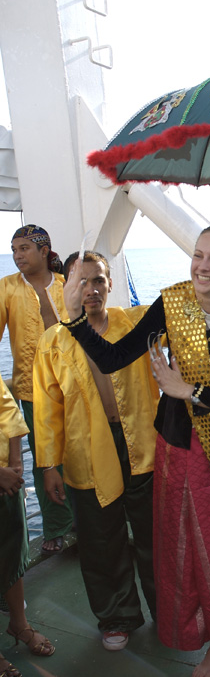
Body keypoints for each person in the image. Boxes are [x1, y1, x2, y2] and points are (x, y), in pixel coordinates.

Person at [61, 225, 210, 677]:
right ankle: (207, 637)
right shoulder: (174, 303)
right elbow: (115, 357)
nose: (202, 266)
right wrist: (74, 319)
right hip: (175, 444)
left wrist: (188, 390)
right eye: (198, 255)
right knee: (185, 549)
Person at [33, 251, 160, 651]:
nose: (91, 290)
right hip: (85, 452)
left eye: (99, 280)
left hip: (143, 445)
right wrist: (48, 465)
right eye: (81, 282)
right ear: (66, 287)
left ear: (110, 284)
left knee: (156, 535)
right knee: (101, 540)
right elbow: (47, 408)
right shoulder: (52, 341)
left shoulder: (135, 323)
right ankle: (116, 617)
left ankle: (170, 609)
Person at [0, 224, 73, 554]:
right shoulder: (7, 288)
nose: (17, 256)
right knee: (45, 459)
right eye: (14, 250)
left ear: (44, 251)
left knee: (78, 454)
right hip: (31, 390)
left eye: (24, 249)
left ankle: (82, 521)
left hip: (73, 386)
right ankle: (56, 528)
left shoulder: (66, 285)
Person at [0, 375, 55, 677]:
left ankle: (18, 624)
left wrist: (15, 464)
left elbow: (7, 409)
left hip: (5, 482)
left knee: (10, 551)